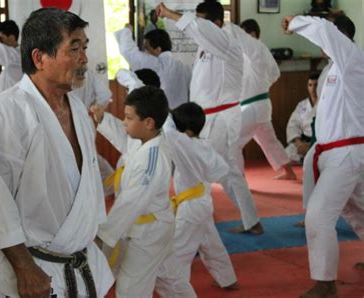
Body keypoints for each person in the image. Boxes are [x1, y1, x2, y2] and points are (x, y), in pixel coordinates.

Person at [0, 8, 114, 297]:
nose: (84, 58)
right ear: (39, 57)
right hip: (34, 266)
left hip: (79, 263)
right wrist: (24, 268)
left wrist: (87, 237)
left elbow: (85, 187)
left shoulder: (79, 110)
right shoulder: (6, 111)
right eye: (74, 48)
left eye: (85, 48)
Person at [156, 1, 263, 234]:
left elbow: (198, 28)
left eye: (203, 20)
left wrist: (170, 14)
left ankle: (194, 227)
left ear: (217, 23)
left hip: (220, 119)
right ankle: (251, 221)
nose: (198, 25)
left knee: (197, 169)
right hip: (209, 118)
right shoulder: (206, 46)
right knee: (228, 172)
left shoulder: (226, 43)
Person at [282, 14, 364, 298]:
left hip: (347, 152)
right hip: (332, 151)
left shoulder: (351, 59)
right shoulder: (332, 67)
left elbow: (326, 31)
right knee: (356, 211)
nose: (320, 43)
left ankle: (325, 283)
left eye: (326, 37)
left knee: (318, 216)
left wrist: (296, 23)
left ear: (339, 37)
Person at [91, 86, 196, 298]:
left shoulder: (152, 159)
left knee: (130, 289)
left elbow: (130, 202)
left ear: (148, 123)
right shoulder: (145, 140)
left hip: (148, 233)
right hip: (155, 225)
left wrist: (102, 236)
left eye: (128, 118)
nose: (124, 122)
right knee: (170, 280)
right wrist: (103, 119)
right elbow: (124, 137)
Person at [156, 102, 238, 291]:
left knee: (178, 253)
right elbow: (221, 170)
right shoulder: (202, 145)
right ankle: (227, 278)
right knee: (211, 244)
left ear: (188, 132)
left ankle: (178, 290)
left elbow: (168, 131)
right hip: (201, 201)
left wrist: (160, 108)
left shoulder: (184, 144)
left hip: (191, 207)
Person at [228, 19, 297, 180]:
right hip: (259, 104)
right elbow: (275, 74)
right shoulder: (260, 51)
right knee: (268, 141)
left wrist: (227, 26)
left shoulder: (256, 48)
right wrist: (262, 85)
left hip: (254, 105)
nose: (242, 39)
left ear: (252, 35)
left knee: (233, 140)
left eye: (245, 35)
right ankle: (289, 171)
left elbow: (273, 74)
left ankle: (239, 180)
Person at [115, 24, 192, 108]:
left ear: (158, 50)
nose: (145, 53)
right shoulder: (184, 68)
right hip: (182, 115)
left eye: (146, 48)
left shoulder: (155, 63)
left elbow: (128, 51)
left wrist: (127, 30)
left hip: (161, 115)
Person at [285, 72, 320, 164]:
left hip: (318, 141)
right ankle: (306, 159)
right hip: (304, 140)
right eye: (310, 85)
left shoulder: (326, 103)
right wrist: (299, 143)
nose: (313, 88)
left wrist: (310, 144)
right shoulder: (302, 105)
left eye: (316, 85)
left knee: (321, 151)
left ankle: (307, 158)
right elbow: (293, 125)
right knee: (286, 153)